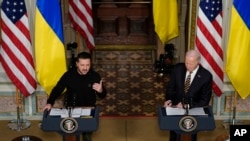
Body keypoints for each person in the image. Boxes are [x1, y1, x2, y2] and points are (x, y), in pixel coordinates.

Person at [43, 51, 107, 141]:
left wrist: (101, 90)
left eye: (87, 65)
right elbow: (58, 89)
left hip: (88, 110)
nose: (85, 68)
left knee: (87, 136)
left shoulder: (94, 76)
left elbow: (103, 96)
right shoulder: (69, 75)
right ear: (77, 64)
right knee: (70, 134)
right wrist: (50, 102)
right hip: (71, 109)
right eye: (82, 65)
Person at [163, 49, 212, 141]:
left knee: (189, 136)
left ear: (198, 62)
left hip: (193, 113)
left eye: (191, 63)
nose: (187, 66)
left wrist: (187, 106)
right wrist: (169, 100)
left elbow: (205, 99)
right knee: (174, 135)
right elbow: (170, 88)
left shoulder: (206, 76)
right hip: (175, 110)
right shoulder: (177, 69)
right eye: (186, 63)